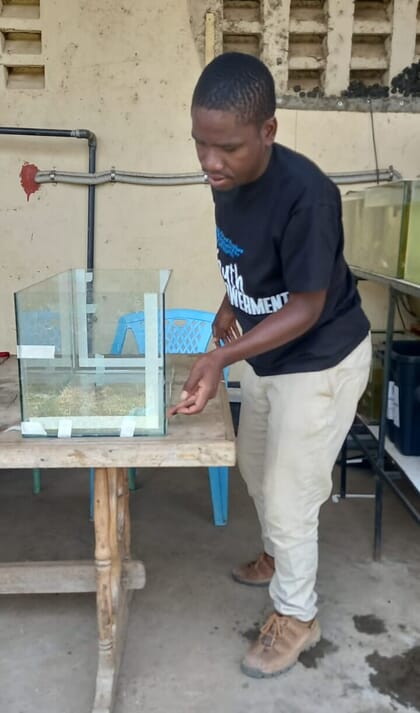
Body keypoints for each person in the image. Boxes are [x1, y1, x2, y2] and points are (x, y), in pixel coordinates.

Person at [169, 52, 372, 679]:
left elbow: (309, 307)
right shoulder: (228, 180)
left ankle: (297, 614)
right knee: (256, 468)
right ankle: (283, 555)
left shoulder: (308, 197)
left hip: (318, 360)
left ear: (268, 131)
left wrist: (221, 354)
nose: (208, 162)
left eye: (224, 147)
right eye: (199, 143)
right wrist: (231, 303)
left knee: (288, 495)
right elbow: (253, 257)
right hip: (264, 353)